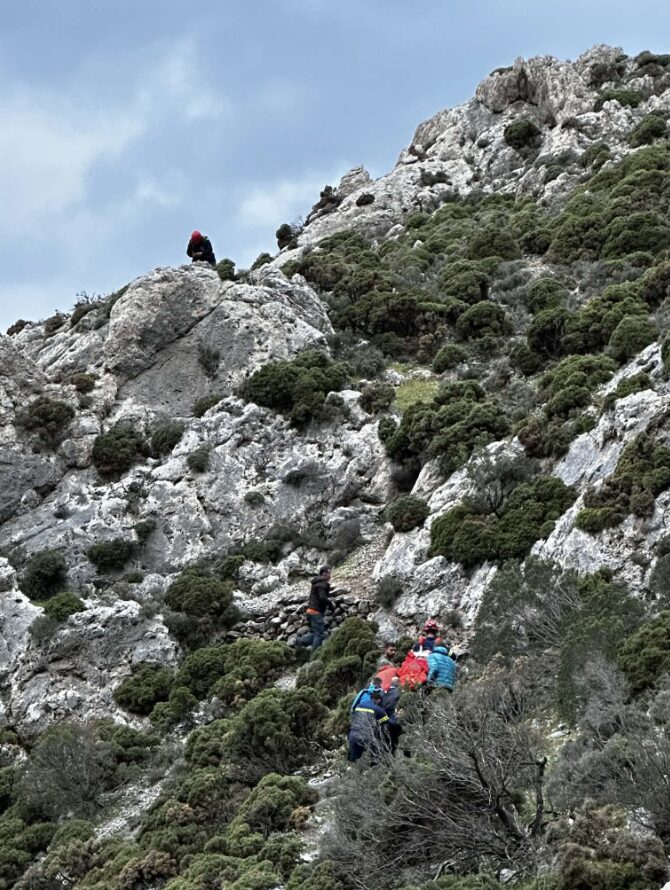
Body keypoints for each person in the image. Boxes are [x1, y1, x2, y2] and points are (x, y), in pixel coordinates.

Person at [295, 566, 334, 651]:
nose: (330, 576)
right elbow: (322, 598)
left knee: (314, 633)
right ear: (324, 574)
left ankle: (299, 642)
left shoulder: (316, 582)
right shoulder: (322, 583)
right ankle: (314, 657)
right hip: (316, 612)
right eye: (329, 574)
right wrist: (330, 604)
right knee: (319, 635)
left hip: (310, 611)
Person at [347, 688, 390, 763]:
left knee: (352, 762)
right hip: (366, 736)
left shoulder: (359, 705)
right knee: (375, 760)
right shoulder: (378, 710)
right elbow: (386, 724)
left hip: (353, 734)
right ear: (379, 700)